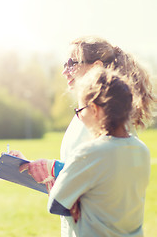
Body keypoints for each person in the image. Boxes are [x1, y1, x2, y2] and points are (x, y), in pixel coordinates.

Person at [10, 36, 155, 236]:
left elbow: (100, 175)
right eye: (63, 64)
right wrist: (37, 167)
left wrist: (50, 169)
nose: (64, 70)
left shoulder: (102, 121)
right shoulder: (100, 122)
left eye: (72, 63)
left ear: (96, 67)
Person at [47, 67, 150, 236]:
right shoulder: (142, 150)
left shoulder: (89, 153)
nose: (80, 118)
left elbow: (56, 204)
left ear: (94, 109)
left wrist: (77, 202)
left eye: (80, 111)